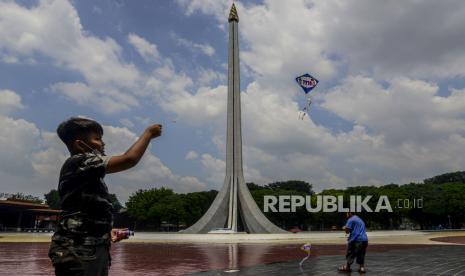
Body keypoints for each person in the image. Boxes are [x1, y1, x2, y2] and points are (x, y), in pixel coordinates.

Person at [48, 117, 162, 276]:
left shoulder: (88, 174)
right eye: (98, 139)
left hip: (89, 248)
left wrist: (106, 232)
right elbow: (129, 159)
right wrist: (148, 133)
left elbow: (84, 212)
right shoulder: (79, 161)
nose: (103, 143)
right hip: (79, 250)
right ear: (80, 144)